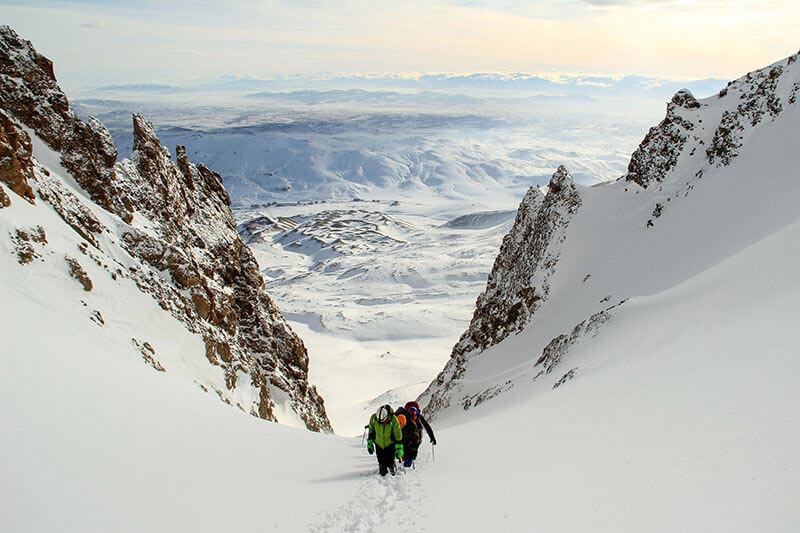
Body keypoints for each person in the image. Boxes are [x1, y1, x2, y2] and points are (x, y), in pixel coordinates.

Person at [395, 401, 436, 468]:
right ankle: (405, 457)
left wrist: (432, 437)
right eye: (412, 414)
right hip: (406, 437)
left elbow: (426, 426)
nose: (414, 416)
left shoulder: (418, 417)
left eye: (415, 414)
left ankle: (407, 458)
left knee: (412, 449)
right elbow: (426, 426)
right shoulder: (406, 417)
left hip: (415, 438)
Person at [366, 404, 404, 476]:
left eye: (383, 421)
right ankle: (383, 470)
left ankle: (392, 466)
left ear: (387, 416)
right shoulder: (373, 419)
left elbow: (398, 435)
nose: (382, 423)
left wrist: (399, 449)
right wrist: (370, 444)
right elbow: (371, 432)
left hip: (390, 444)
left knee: (390, 463)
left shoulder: (393, 420)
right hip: (378, 444)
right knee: (382, 467)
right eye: (380, 422)